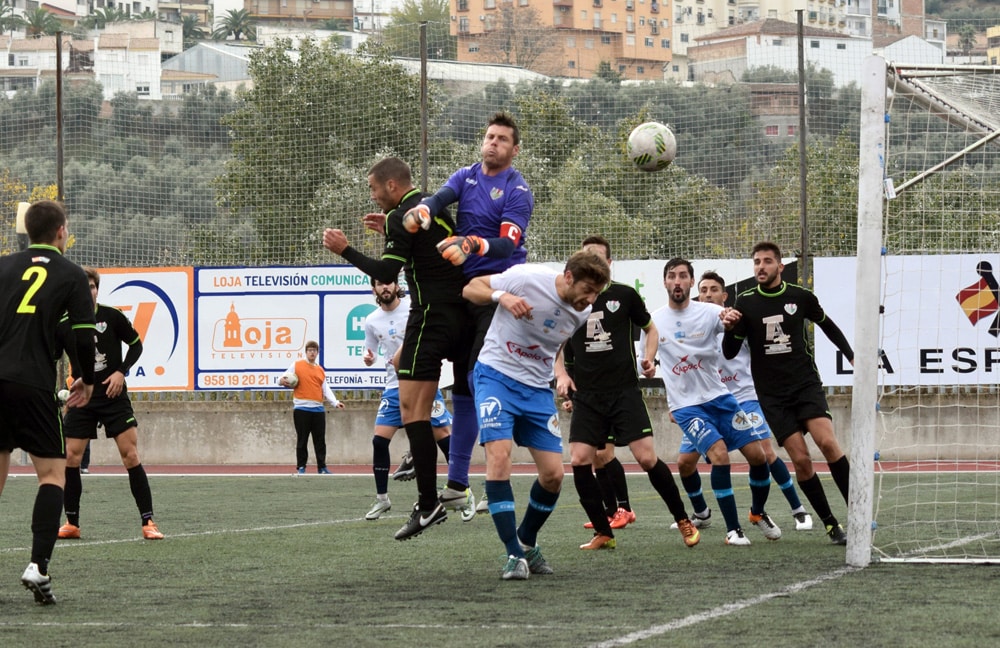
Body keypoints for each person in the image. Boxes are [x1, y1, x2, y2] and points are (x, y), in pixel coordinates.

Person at [323, 156, 472, 541]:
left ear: (391, 186)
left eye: (374, 188)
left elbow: (387, 273)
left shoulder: (398, 216)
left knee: (413, 411)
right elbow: (417, 247)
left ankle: (429, 503)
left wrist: (345, 249)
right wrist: (390, 231)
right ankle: (457, 486)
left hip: (431, 317)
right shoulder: (430, 206)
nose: (373, 196)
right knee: (461, 398)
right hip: (464, 314)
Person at [401, 111, 534, 515]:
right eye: (489, 136)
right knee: (461, 386)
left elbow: (508, 246)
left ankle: (506, 441)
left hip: (498, 288)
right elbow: (437, 199)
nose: (493, 143)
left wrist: (473, 244)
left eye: (501, 139)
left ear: (514, 149)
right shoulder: (467, 175)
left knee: (478, 377)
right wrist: (421, 212)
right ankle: (457, 484)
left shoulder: (517, 189)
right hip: (464, 292)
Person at [463, 249, 610, 580]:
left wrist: (559, 372)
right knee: (499, 459)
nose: (590, 299)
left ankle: (526, 540)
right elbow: (470, 288)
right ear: (569, 277)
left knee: (554, 476)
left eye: (597, 294)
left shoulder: (582, 312)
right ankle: (514, 556)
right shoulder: (527, 278)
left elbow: (555, 343)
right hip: (496, 377)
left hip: (536, 390)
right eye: (587, 290)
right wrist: (502, 297)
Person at [555, 236, 700, 551]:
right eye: (586, 257)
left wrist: (649, 358)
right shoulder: (569, 299)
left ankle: (683, 519)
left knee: (646, 458)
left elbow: (651, 329)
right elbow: (556, 341)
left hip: (624, 392)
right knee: (580, 460)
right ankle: (604, 532)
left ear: (609, 264)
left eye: (598, 258)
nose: (592, 263)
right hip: (587, 396)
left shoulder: (625, 295)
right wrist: (562, 374)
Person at [722, 241, 854, 545]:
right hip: (772, 396)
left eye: (767, 261)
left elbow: (828, 326)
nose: (761, 267)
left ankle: (857, 512)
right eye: (756, 261)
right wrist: (731, 327)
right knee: (802, 460)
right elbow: (729, 353)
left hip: (805, 385)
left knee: (828, 444)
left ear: (780, 267)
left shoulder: (801, 297)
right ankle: (831, 524)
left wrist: (850, 354)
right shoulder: (746, 303)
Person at [0, 199, 96, 605]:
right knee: (52, 476)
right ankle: (38, 566)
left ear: (26, 231)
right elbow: (82, 334)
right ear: (62, 231)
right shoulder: (72, 274)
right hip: (35, 385)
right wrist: (86, 380)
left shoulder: (2, 266)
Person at [651, 258, 781, 546]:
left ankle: (757, 513)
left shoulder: (711, 312)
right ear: (665, 283)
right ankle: (732, 530)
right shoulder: (655, 320)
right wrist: (649, 368)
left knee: (758, 456)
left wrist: (733, 323)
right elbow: (646, 360)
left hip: (721, 397)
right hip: (687, 407)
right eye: (671, 276)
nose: (677, 281)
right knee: (719, 455)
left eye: (683, 276)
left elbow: (732, 336)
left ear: (689, 283)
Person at [672, 270, 813, 532]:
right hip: (704, 404)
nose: (707, 294)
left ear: (724, 296)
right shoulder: (693, 325)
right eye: (703, 290)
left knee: (765, 453)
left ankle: (797, 509)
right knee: (684, 462)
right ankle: (702, 513)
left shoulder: (739, 321)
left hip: (744, 398)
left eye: (713, 290)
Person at [56, 267, 165, 541]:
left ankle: (148, 522)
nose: (89, 291)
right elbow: (51, 355)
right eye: (85, 286)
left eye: (93, 286)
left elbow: (136, 345)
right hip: (82, 395)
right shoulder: (63, 323)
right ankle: (72, 523)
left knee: (130, 455)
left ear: (97, 289)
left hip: (113, 395)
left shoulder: (112, 316)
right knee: (71, 456)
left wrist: (121, 371)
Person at [362, 277, 453, 521]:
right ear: (374, 289)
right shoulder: (371, 320)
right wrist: (368, 357)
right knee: (379, 441)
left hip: (421, 379)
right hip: (393, 386)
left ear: (396, 286)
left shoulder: (413, 307)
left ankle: (461, 488)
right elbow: (368, 348)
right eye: (380, 284)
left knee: (443, 435)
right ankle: (382, 500)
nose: (385, 287)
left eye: (388, 283)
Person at [279, 340, 344, 474]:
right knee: (302, 440)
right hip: (301, 409)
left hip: (318, 409)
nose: (312, 352)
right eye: (310, 350)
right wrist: (282, 381)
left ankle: (322, 467)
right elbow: (281, 379)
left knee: (320, 440)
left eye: (314, 350)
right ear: (306, 352)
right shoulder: (297, 365)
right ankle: (301, 466)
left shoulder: (320, 370)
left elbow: (325, 388)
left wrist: (335, 402)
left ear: (317, 352)